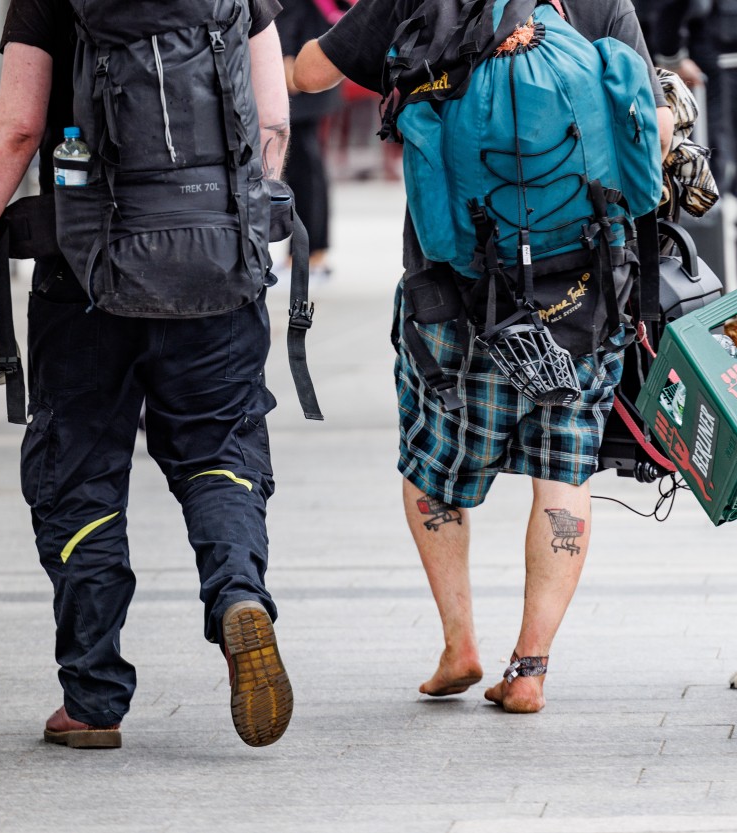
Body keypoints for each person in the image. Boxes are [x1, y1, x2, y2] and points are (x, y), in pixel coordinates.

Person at [0, 0, 295, 749]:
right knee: (220, 451)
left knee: (80, 470)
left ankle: (93, 698)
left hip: (84, 275)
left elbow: (18, 127)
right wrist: (228, 228)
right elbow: (273, 118)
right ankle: (237, 597)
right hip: (216, 267)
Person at [293, 0, 673, 714]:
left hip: (455, 287)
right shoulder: (598, 4)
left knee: (432, 456)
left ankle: (458, 642)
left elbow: (313, 72)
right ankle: (529, 667)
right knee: (564, 466)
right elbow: (652, 124)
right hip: (583, 285)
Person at [277, 0, 341, 282]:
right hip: (313, 55)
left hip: (300, 62)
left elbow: (292, 10)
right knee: (305, 163)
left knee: (304, 165)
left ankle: (308, 254)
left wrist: (286, 53)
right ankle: (308, 252)